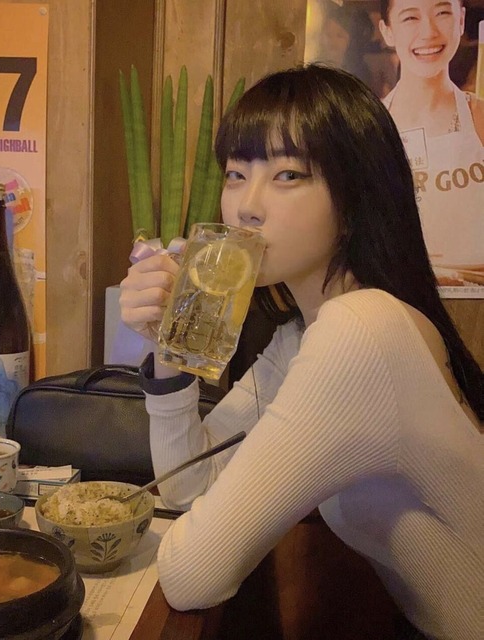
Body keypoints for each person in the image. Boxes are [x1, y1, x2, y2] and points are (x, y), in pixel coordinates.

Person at [119, 63, 483, 640]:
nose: (247, 206)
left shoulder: (360, 334)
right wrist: (169, 343)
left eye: (288, 175)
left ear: (355, 198)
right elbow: (189, 485)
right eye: (236, 174)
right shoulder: (302, 337)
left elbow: (193, 576)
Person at [378, 0, 484, 282]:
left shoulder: (480, 116)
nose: (429, 32)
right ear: (387, 31)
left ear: (461, 20)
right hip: (398, 295)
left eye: (442, 13)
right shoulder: (368, 127)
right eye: (410, 18)